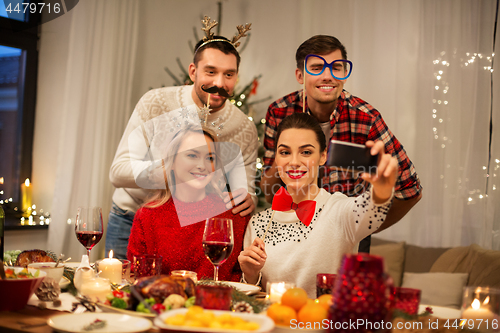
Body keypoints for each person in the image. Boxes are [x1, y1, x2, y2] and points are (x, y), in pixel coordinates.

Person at [106, 17, 258, 259]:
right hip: (132, 217)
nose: (219, 83)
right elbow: (118, 172)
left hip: (193, 228)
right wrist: (178, 171)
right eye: (211, 72)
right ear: (193, 71)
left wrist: (249, 198)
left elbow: (244, 191)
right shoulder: (155, 103)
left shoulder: (243, 127)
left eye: (229, 74)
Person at [260, 35, 422, 252]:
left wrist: (365, 228)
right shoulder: (279, 112)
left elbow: (411, 190)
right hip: (292, 231)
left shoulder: (366, 120)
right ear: (300, 75)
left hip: (346, 236)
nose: (328, 76)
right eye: (317, 67)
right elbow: (271, 182)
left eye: (336, 67)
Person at [238, 113, 398, 297]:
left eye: (306, 152)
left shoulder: (339, 211)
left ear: (323, 157)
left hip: (325, 323)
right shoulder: (258, 223)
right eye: (285, 152)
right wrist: (250, 275)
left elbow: (372, 210)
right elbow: (250, 299)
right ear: (276, 158)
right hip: (273, 322)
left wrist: (382, 190)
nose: (294, 162)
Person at [127, 125, 249, 281]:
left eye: (210, 158)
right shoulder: (147, 215)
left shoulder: (233, 213)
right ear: (171, 162)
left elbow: (242, 278)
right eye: (192, 155)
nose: (202, 166)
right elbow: (137, 278)